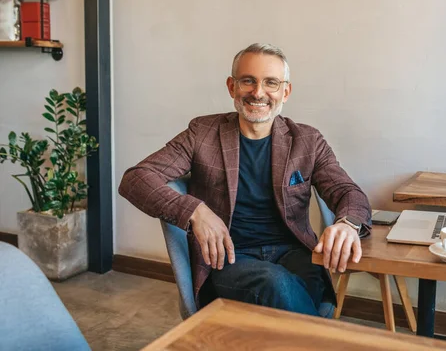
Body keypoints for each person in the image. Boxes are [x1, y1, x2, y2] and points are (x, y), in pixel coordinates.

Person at [118, 43, 372, 317]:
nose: (258, 92)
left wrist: (347, 225)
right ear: (232, 87)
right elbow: (136, 179)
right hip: (229, 258)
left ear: (285, 92)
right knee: (276, 285)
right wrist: (194, 211)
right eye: (248, 81)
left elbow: (347, 192)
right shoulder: (202, 133)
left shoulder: (307, 141)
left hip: (294, 253)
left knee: (296, 293)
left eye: (271, 83)